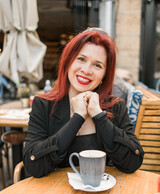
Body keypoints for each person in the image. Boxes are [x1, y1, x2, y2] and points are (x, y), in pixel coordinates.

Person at [23, 27, 144, 178]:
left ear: (104, 75)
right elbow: (33, 165)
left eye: (97, 65)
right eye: (81, 59)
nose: (86, 70)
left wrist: (99, 116)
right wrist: (77, 118)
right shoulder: (43, 105)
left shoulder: (116, 106)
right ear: (68, 62)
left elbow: (133, 162)